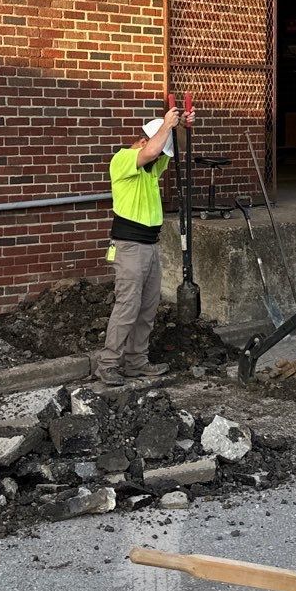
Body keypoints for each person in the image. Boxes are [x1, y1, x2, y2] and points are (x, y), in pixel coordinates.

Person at [94, 106, 182, 387]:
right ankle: (108, 364)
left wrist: (181, 126)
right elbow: (153, 150)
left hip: (151, 245)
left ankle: (136, 362)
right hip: (129, 246)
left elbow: (164, 152)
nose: (159, 159)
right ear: (144, 140)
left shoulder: (150, 171)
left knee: (147, 308)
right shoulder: (123, 159)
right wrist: (166, 125)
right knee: (127, 307)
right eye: (153, 147)